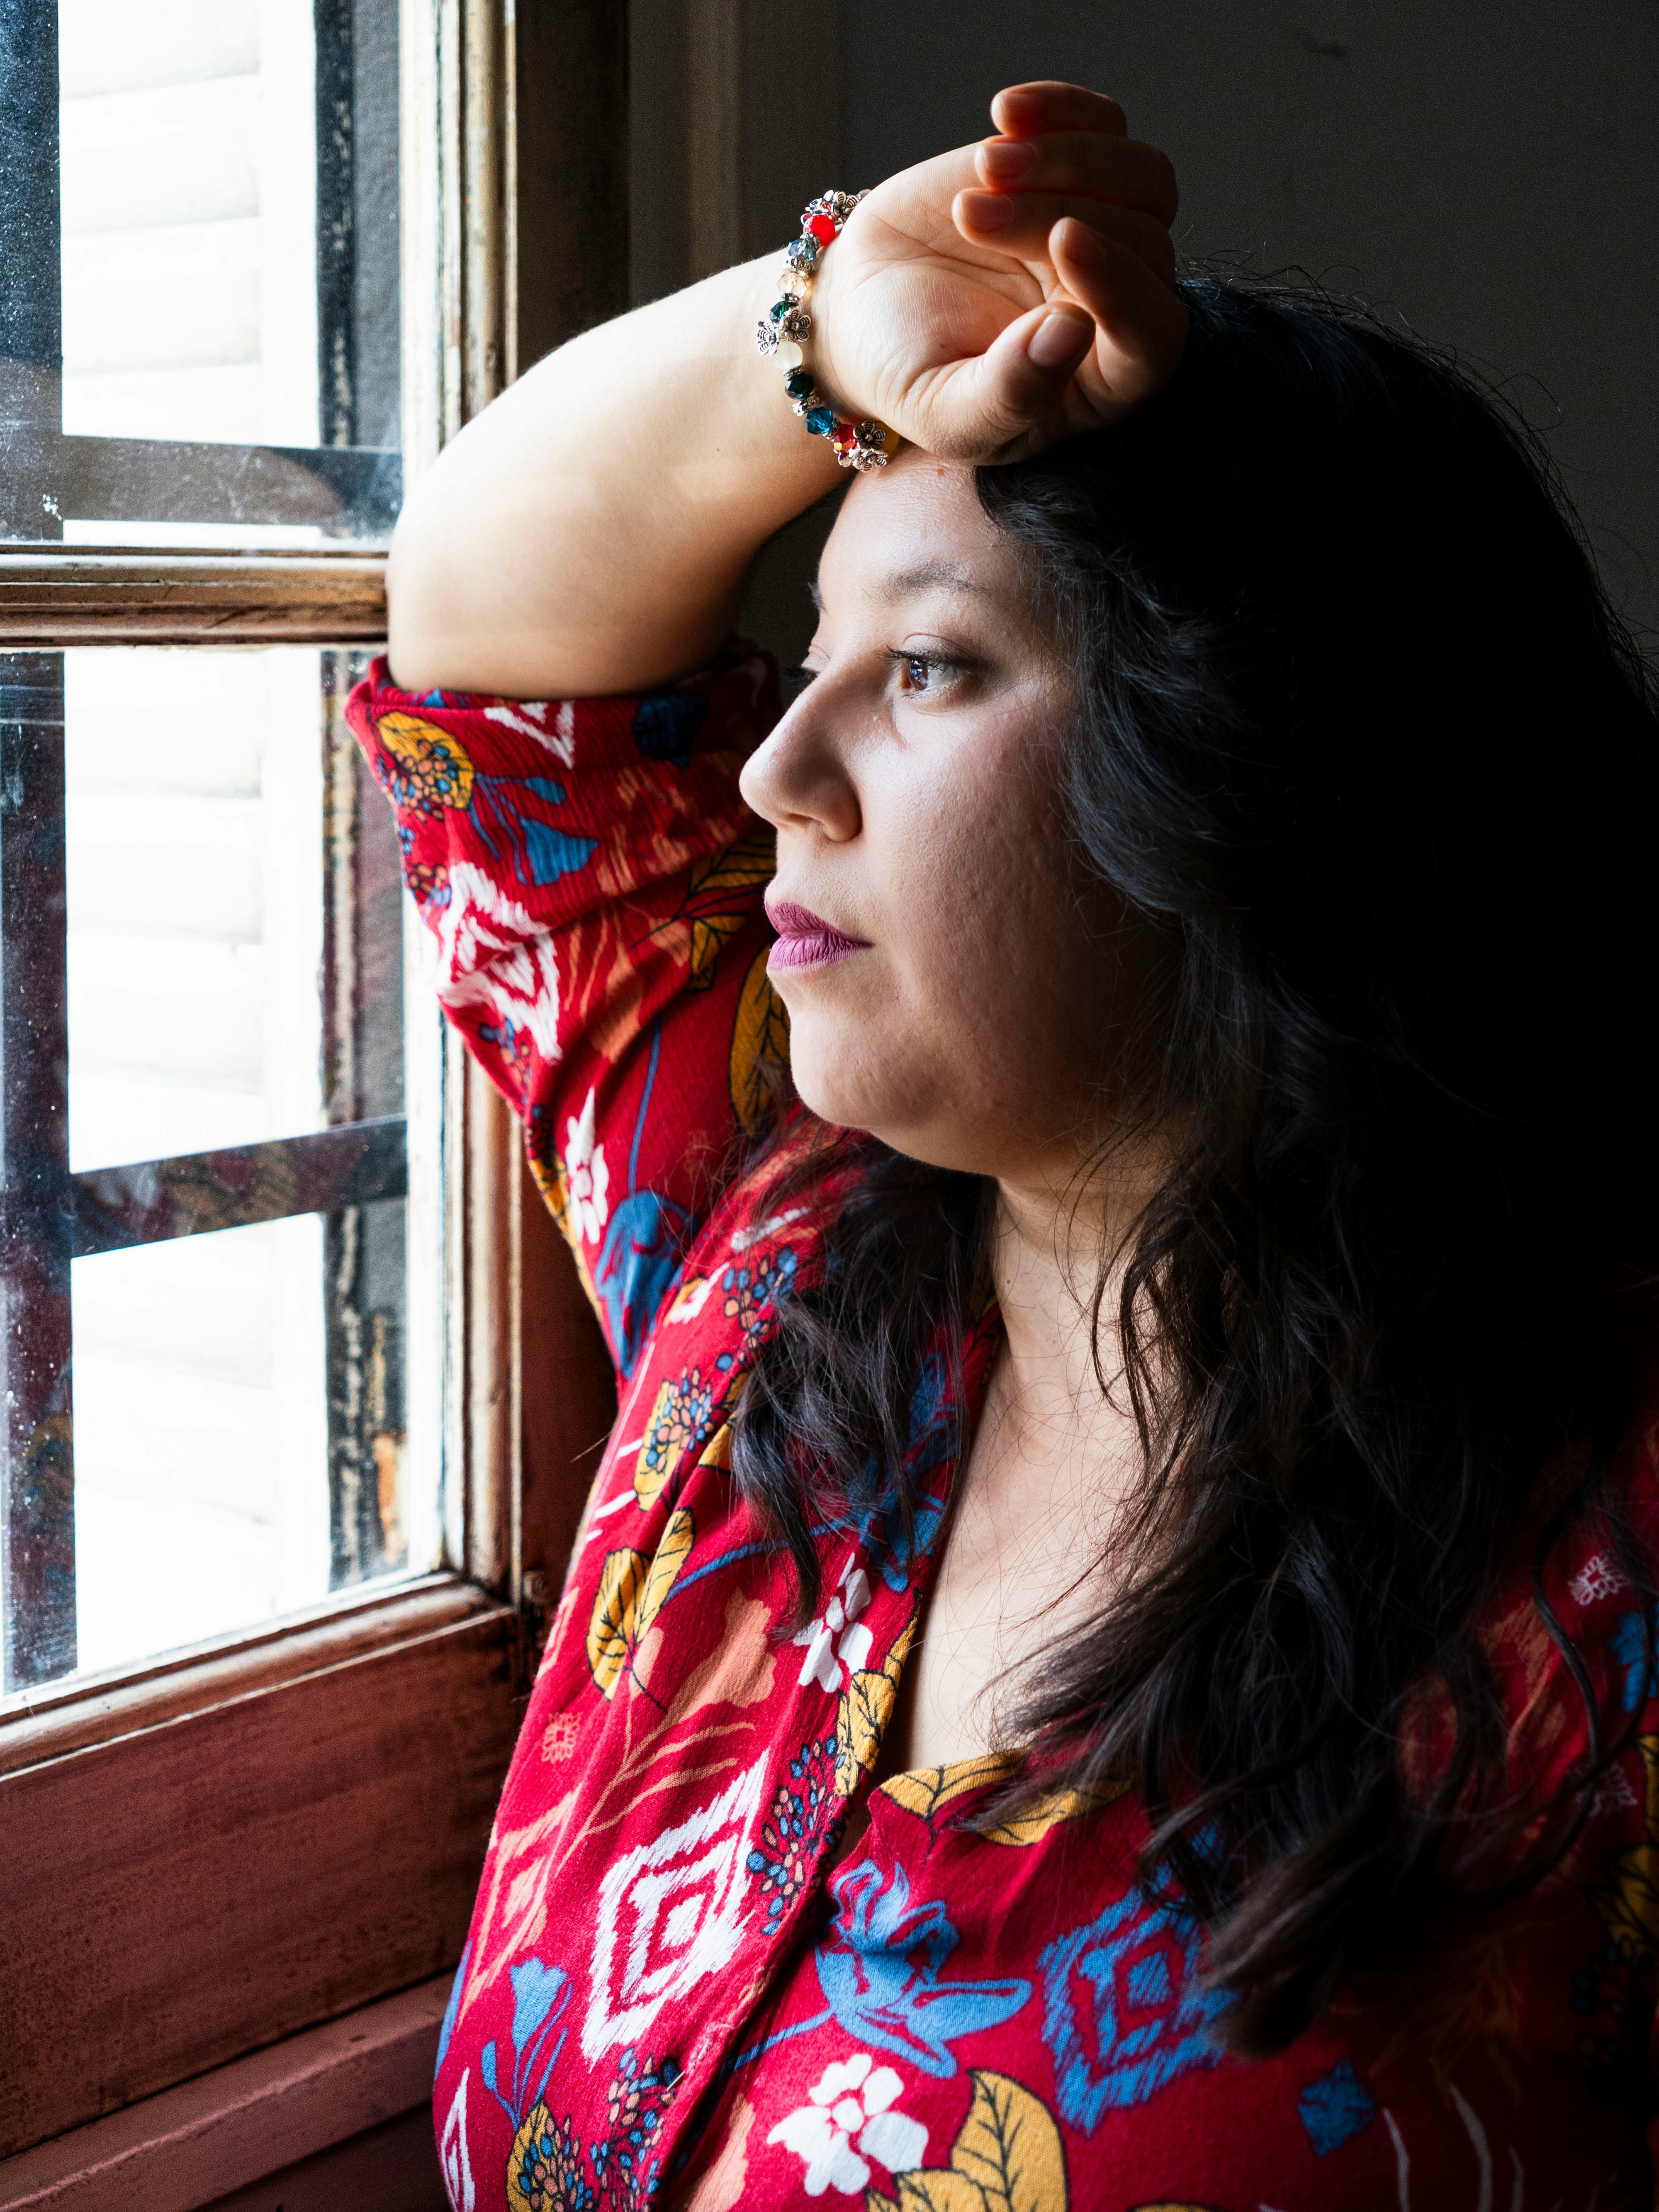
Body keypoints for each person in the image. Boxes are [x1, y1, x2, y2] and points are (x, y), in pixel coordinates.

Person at [353, 78, 1659, 2212]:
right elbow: (491, 621)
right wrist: (833, 308)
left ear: (1253, 769)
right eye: (815, 652)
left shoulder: (1598, 1543)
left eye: (932, 668)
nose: (780, 761)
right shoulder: (759, 1261)